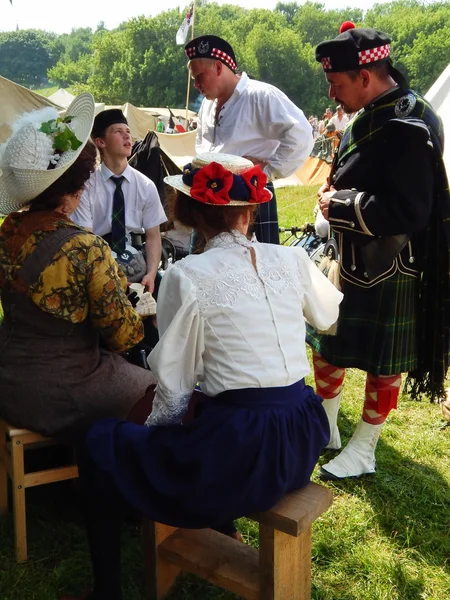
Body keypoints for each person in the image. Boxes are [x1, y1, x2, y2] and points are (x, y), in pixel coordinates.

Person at [60, 152, 342, 600]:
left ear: (187, 213)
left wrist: (150, 441)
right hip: (301, 435)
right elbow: (328, 315)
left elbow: (173, 391)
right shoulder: (289, 259)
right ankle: (219, 520)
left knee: (100, 442)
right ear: (251, 210)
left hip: (242, 450)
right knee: (206, 410)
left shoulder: (187, 275)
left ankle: (108, 592)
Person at [309, 23, 450, 480]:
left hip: (391, 264)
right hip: (349, 259)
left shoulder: (410, 124)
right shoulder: (375, 109)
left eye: (337, 84)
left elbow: (410, 210)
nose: (333, 95)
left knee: (381, 364)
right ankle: (326, 426)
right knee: (327, 345)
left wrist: (340, 204)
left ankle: (364, 447)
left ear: (365, 77)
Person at [0, 94, 155, 440]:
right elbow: (123, 337)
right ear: (74, 185)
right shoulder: (85, 247)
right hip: (60, 390)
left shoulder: (9, 229)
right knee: (160, 392)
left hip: (7, 375)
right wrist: (140, 309)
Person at [185, 35, 313, 245]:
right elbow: (202, 146)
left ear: (218, 67)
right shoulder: (208, 105)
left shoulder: (261, 95)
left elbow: (301, 134)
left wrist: (268, 170)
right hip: (209, 196)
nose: (197, 84)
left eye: (199, 76)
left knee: (257, 266)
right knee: (202, 266)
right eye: (194, 79)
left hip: (249, 195)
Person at [71, 109, 167, 293]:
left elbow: (153, 236)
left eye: (128, 131)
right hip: (98, 264)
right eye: (118, 131)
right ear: (100, 142)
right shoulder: (87, 186)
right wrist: (108, 278)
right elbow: (87, 239)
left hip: (138, 263)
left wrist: (152, 274)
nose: (127, 136)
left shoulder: (146, 185)